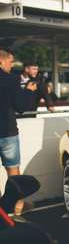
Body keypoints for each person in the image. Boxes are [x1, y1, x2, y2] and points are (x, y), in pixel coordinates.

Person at [0, 48, 38, 178]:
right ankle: (17, 199)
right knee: (13, 171)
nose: (12, 65)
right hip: (7, 131)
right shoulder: (12, 79)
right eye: (10, 62)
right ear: (1, 61)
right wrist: (28, 91)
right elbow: (20, 108)